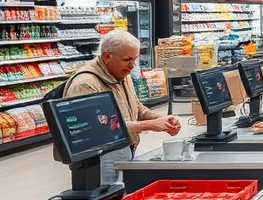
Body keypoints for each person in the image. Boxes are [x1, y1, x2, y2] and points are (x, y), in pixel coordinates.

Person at [64, 31, 180, 184]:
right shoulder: (86, 84)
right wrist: (148, 125)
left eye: (134, 59)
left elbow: (136, 108)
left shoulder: (121, 74)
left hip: (125, 150)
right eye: (127, 60)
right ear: (107, 56)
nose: (132, 66)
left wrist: (162, 119)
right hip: (99, 160)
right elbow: (97, 130)